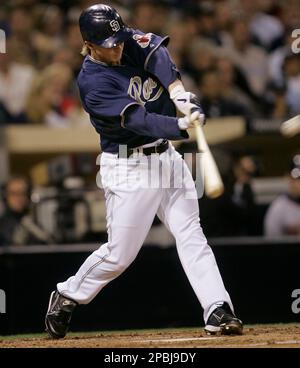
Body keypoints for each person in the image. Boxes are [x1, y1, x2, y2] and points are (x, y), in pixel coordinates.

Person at [45, 4, 243, 339]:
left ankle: (217, 308)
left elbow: (157, 55)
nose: (118, 46)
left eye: (119, 39)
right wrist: (181, 124)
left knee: (191, 233)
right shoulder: (92, 83)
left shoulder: (125, 41)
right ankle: (67, 293)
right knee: (120, 254)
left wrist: (179, 92)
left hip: (167, 157)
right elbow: (140, 120)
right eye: (110, 44)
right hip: (128, 165)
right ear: (90, 46)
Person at [0, 176, 53, 246]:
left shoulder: (31, 223)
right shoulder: (2, 226)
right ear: (5, 196)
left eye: (22, 193)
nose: (19, 198)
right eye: (14, 193)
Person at [264, 155, 300, 237]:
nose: (298, 183)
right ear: (288, 178)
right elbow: (271, 244)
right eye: (296, 178)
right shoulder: (279, 208)